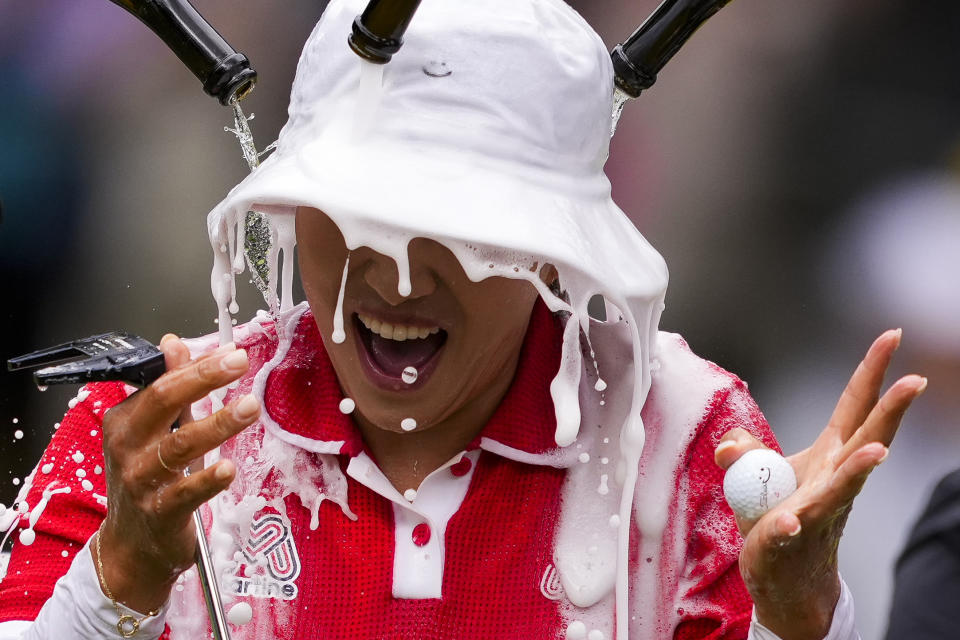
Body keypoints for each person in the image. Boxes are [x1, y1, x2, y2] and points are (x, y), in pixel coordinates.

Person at [0, 0, 924, 638]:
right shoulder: (151, 443)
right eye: (358, 212)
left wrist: (797, 620)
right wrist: (121, 575)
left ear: (554, 251)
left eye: (460, 226)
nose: (396, 273)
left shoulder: (690, 445)